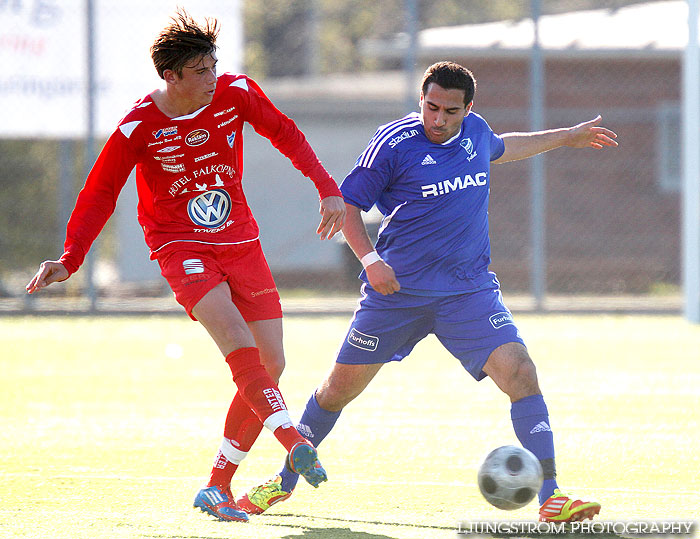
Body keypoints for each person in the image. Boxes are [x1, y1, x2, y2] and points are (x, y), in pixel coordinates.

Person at [236, 61, 618, 523]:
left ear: (467, 109)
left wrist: (565, 136)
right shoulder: (393, 143)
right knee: (336, 393)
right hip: (397, 294)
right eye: (431, 107)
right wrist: (371, 261)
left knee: (520, 372)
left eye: (450, 111)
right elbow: (349, 204)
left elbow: (502, 148)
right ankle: (283, 481)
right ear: (422, 100)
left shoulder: (476, 132)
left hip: (467, 292)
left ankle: (551, 495)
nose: (438, 119)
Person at [25, 10, 345, 524]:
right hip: (179, 246)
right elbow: (99, 193)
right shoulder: (138, 125)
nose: (212, 77)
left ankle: (216, 487)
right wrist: (71, 258)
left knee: (272, 365)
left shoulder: (236, 93)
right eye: (200, 70)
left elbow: (285, 133)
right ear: (169, 76)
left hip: (240, 240)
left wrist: (327, 188)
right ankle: (292, 438)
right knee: (236, 339)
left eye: (214, 65)